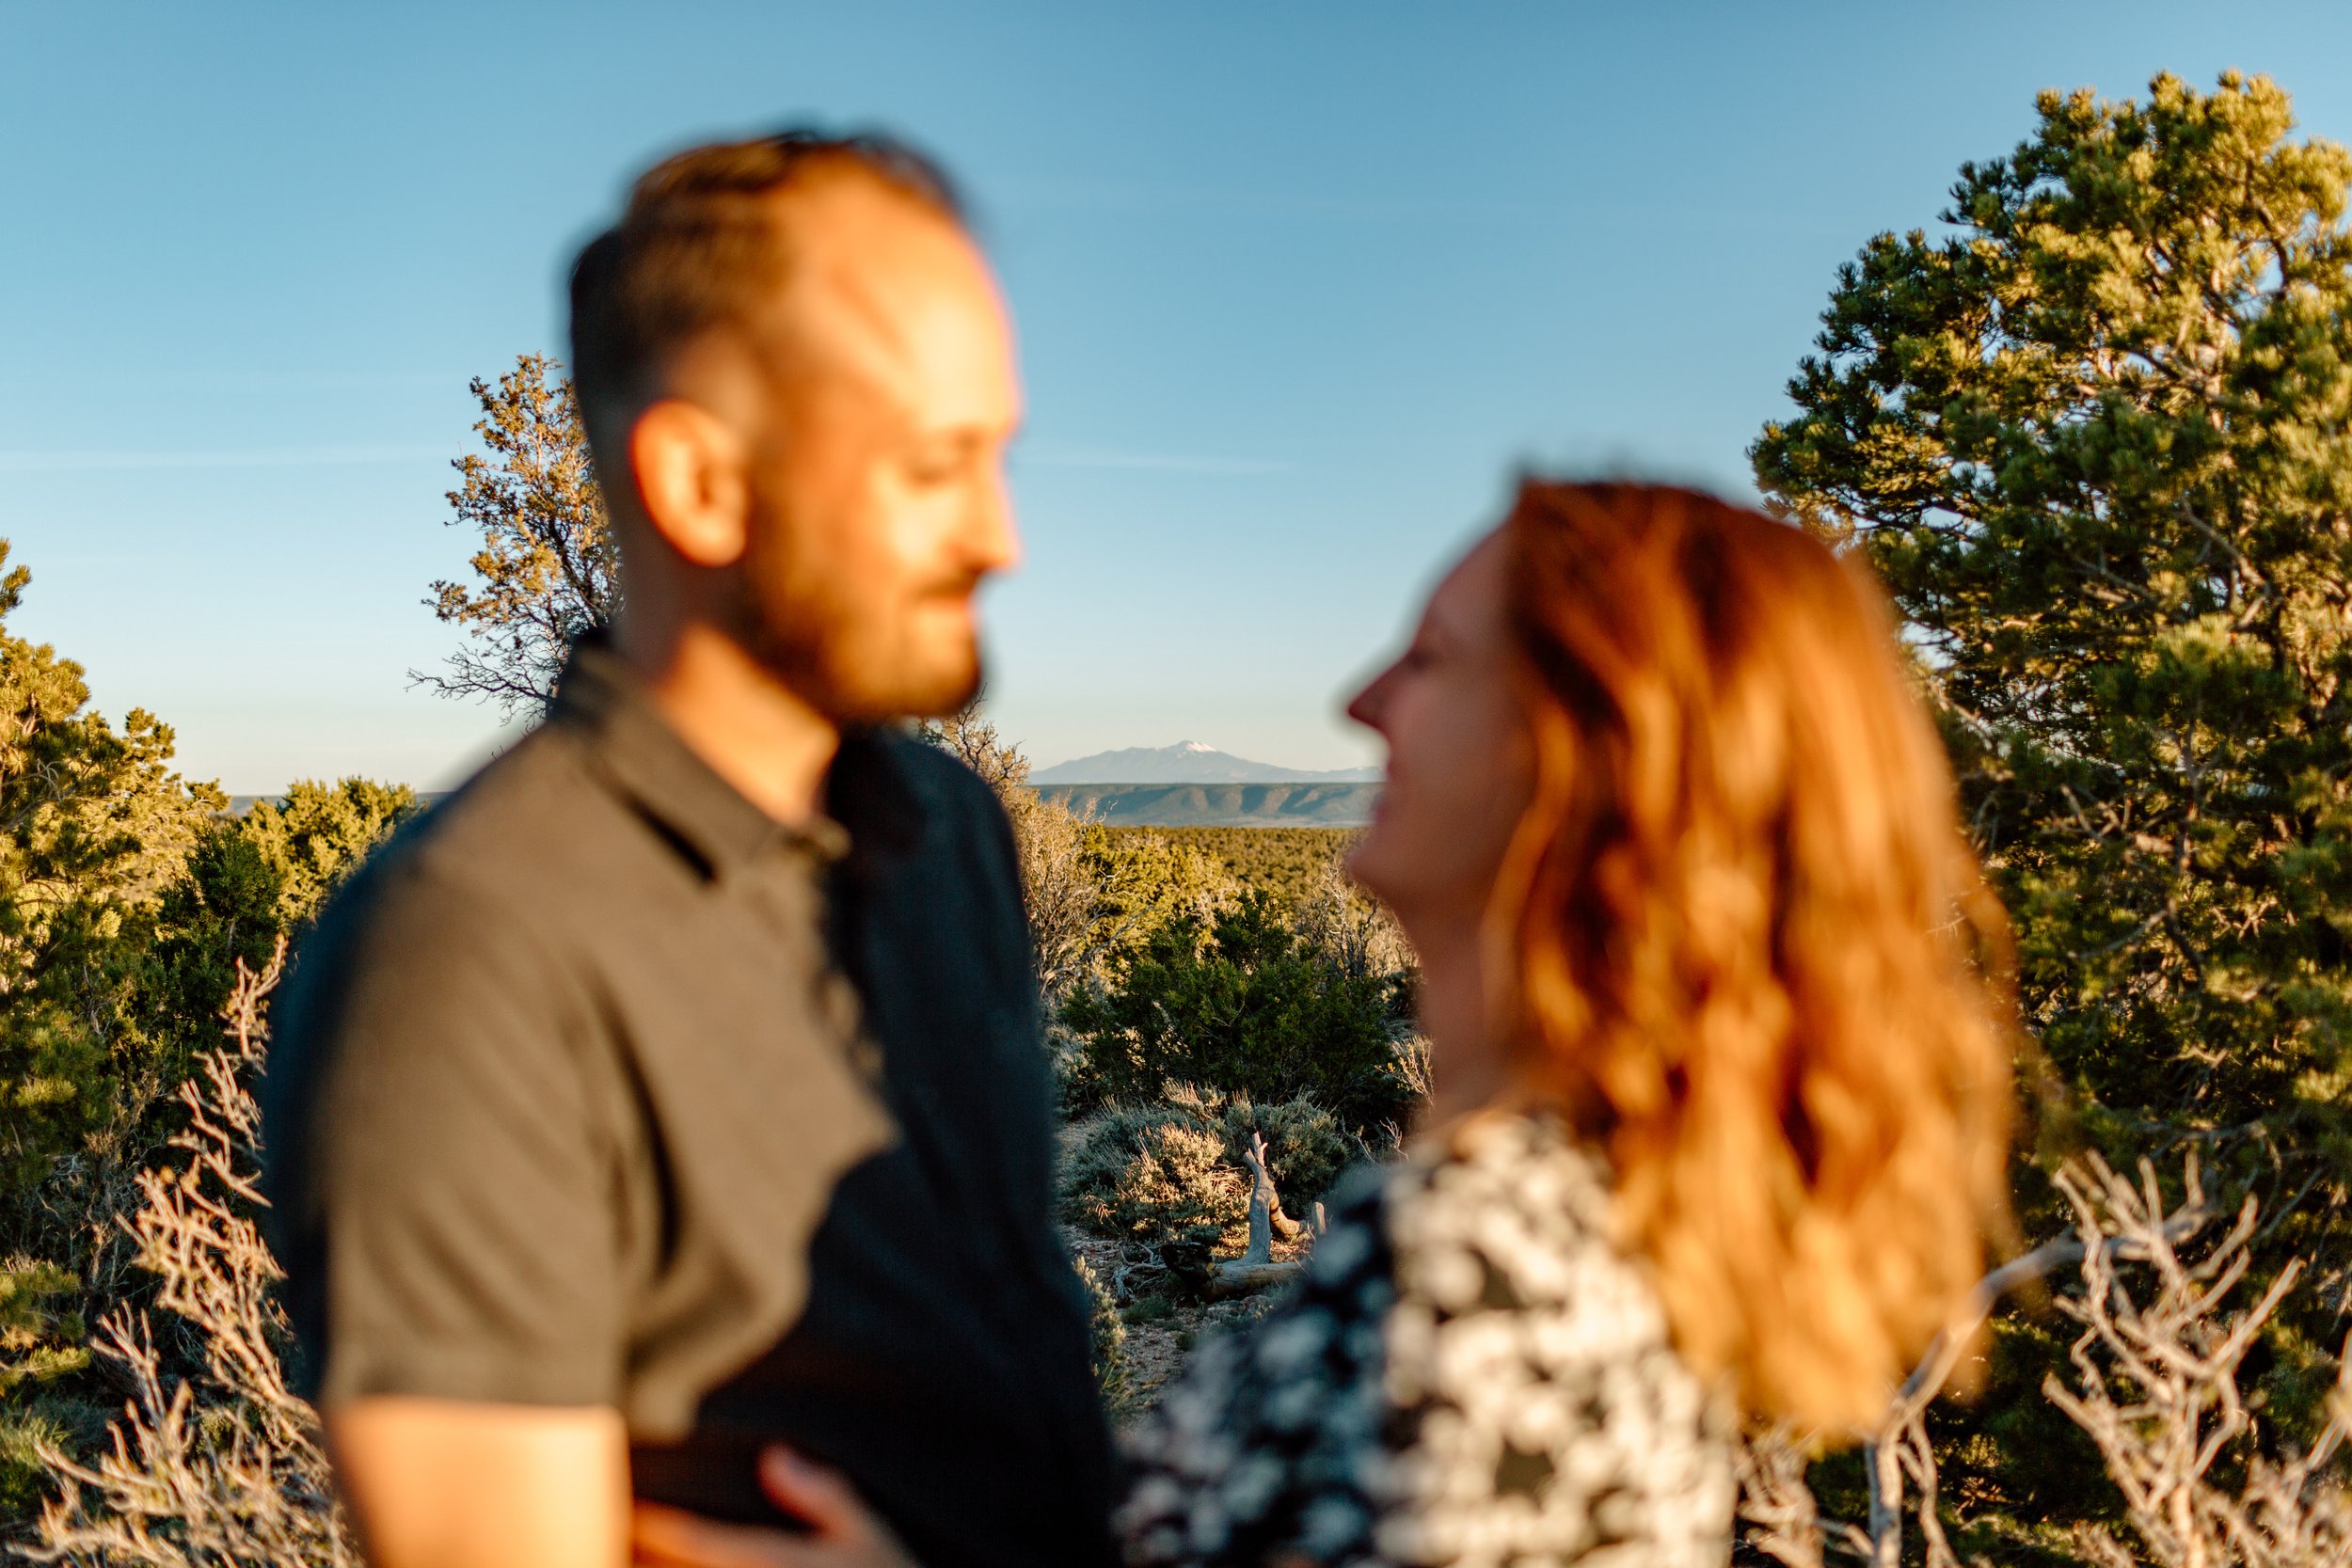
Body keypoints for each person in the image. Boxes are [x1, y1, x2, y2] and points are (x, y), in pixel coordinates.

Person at [635, 481, 2016, 1567]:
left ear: (1582, 757)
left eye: (1432, 658)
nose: (1360, 703)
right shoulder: (1593, 1215)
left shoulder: (1485, 1281)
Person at [259, 130, 1120, 1568]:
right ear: (702, 485)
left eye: (1001, 458)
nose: (1001, 538)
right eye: (934, 466)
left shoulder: (948, 834)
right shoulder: (465, 953)